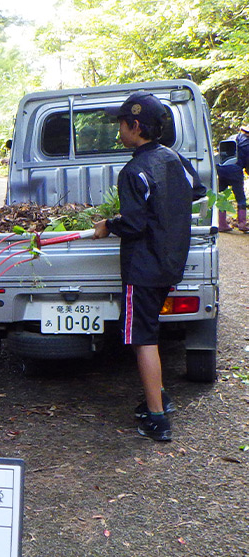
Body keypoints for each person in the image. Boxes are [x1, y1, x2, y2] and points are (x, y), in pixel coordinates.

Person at [93, 92, 206, 442]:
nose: (119, 130)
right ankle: (160, 398)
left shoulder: (133, 171)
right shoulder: (175, 159)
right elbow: (197, 190)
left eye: (122, 123)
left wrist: (108, 225)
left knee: (142, 339)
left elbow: (134, 222)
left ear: (135, 125)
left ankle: (157, 418)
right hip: (170, 262)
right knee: (150, 332)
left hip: (142, 268)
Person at [215, 124, 249, 232]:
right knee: (240, 198)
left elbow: (219, 149)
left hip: (221, 167)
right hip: (235, 171)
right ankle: (242, 223)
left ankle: (221, 223)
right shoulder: (247, 144)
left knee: (222, 196)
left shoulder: (232, 137)